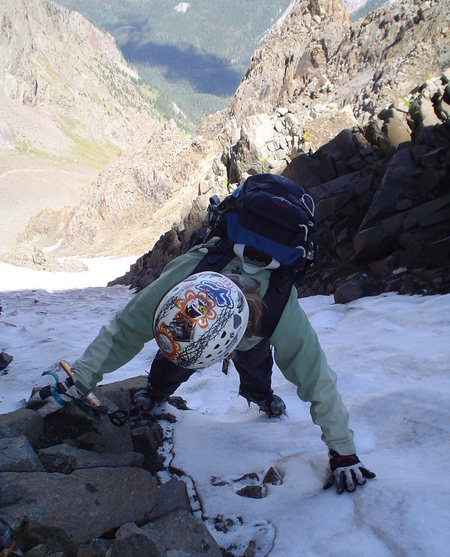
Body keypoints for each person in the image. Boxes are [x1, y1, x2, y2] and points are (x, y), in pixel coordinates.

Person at [44, 173, 375, 494]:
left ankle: (259, 395)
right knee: (177, 355)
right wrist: (82, 376)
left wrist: (343, 451)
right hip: (195, 320)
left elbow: (315, 376)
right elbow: (131, 325)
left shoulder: (279, 305)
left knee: (254, 363)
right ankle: (158, 390)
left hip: (252, 333)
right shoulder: (193, 271)